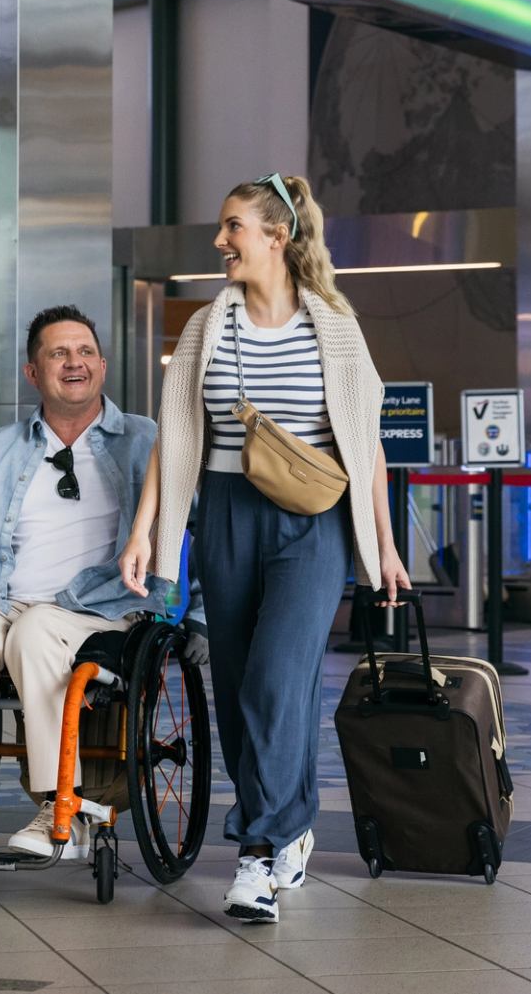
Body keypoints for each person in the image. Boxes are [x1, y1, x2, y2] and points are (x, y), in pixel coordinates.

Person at [120, 173, 411, 925]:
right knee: (244, 683)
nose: (220, 242)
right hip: (225, 514)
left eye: (232, 228)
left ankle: (257, 853)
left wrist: (384, 545)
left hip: (314, 522)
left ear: (275, 236)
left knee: (278, 680)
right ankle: (293, 820)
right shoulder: (207, 327)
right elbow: (175, 433)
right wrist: (146, 530)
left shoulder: (335, 326)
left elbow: (367, 445)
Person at [0, 307, 205, 860]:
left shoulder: (144, 441)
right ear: (33, 373)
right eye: (58, 354)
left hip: (105, 609)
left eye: (84, 352)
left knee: (34, 631)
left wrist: (199, 613)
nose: (74, 362)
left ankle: (62, 801)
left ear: (102, 367)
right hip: (2, 601)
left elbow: (191, 525)